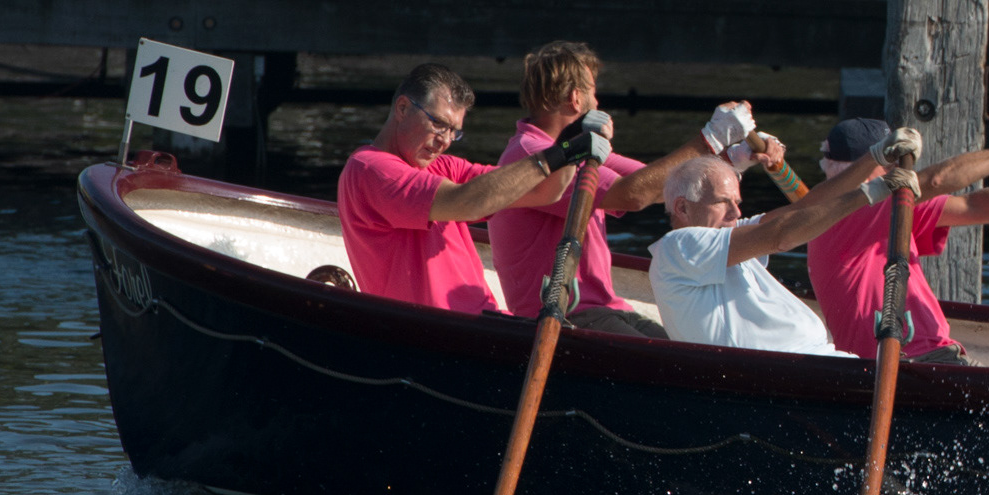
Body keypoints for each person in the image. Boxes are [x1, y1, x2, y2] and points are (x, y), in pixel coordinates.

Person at [482, 42, 728, 337]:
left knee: (688, 350)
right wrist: (711, 137)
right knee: (674, 360)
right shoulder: (532, 155)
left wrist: (729, 158)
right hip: (562, 315)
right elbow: (633, 195)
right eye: (593, 91)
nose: (598, 102)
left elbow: (663, 183)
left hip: (606, 309)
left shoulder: (581, 148)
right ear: (575, 98)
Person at [801, 120, 989, 366]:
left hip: (910, 359)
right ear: (867, 165)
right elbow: (937, 180)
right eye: (892, 160)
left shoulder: (875, 211)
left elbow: (974, 207)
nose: (897, 168)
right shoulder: (857, 206)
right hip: (912, 361)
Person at [337, 63, 611, 314]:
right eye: (438, 124)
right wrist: (557, 155)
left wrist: (567, 143)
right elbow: (468, 203)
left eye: (454, 131)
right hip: (436, 332)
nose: (445, 140)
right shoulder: (370, 169)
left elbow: (545, 192)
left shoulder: (444, 167)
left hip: (483, 324)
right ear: (402, 108)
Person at [646, 139, 909, 354]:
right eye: (722, 202)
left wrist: (874, 157)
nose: (736, 213)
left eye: (737, 202)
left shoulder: (729, 233)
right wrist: (868, 194)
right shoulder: (678, 247)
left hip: (816, 363)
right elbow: (781, 235)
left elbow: (806, 207)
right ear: (683, 208)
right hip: (786, 374)